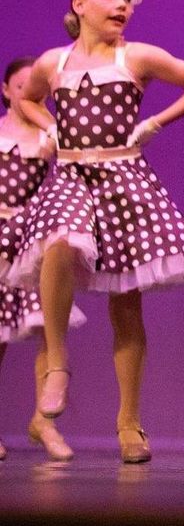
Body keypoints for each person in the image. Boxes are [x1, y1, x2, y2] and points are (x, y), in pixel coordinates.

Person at [0, 0, 184, 463]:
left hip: (123, 182)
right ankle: (57, 363)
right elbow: (30, 99)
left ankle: (129, 423)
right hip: (74, 176)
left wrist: (156, 124)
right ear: (80, 5)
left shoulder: (136, 56)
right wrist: (49, 126)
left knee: (126, 304)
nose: (122, 5)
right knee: (56, 241)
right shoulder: (55, 62)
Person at [0, 57, 89, 461]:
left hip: (28, 236)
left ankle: (43, 420)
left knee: (47, 329)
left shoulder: (50, 134)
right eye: (19, 88)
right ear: (6, 91)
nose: (26, 95)